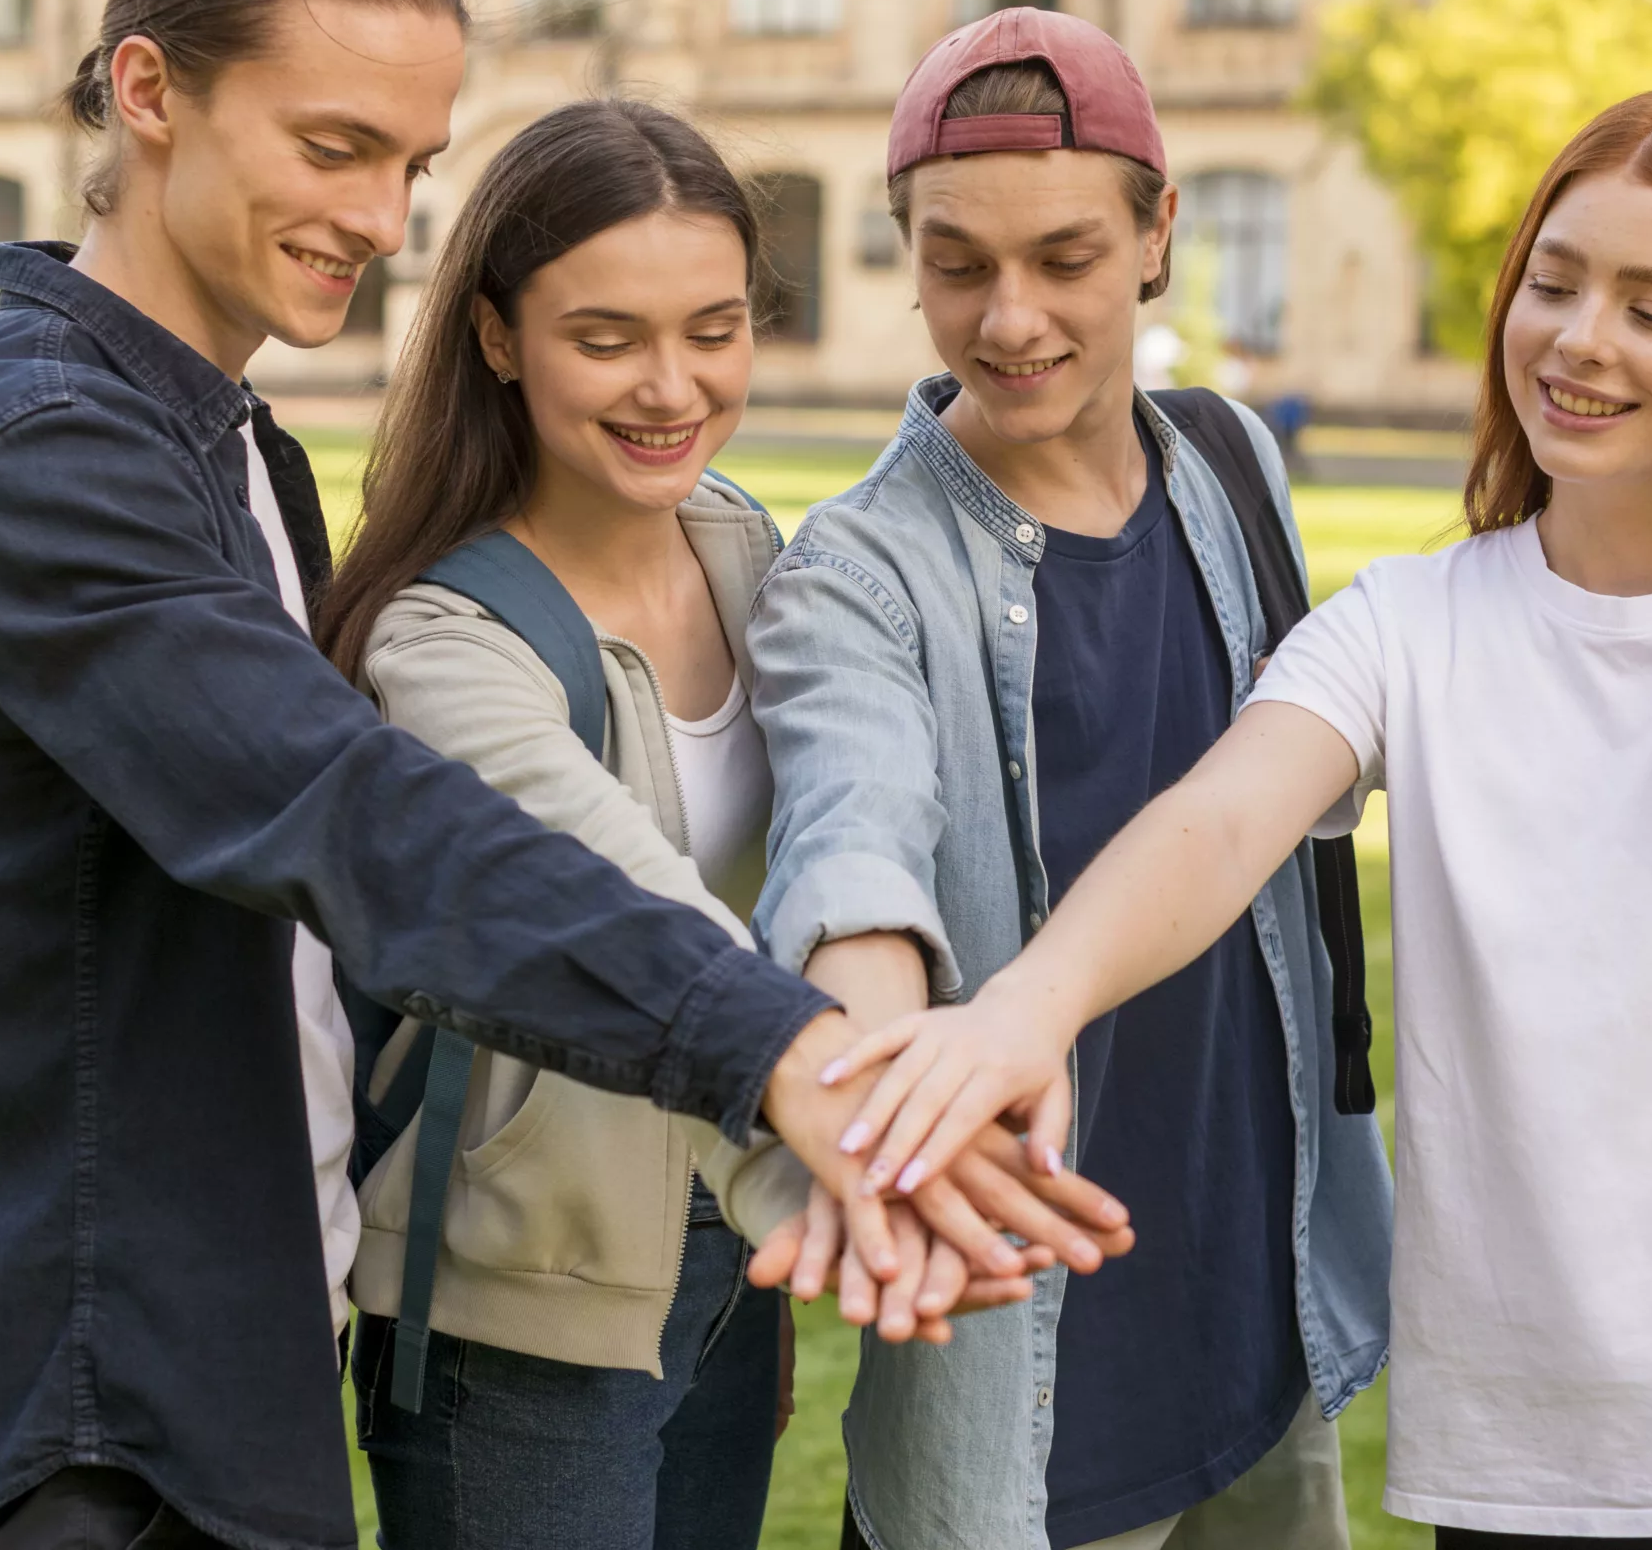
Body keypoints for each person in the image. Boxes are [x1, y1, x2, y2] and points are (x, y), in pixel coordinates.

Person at [0, 0, 1119, 1550]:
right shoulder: (39, 458)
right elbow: (354, 819)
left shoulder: (217, 439)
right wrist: (778, 1055)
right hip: (92, 1413)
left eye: (414, 164)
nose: (382, 217)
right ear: (147, 93)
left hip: (228, 1356)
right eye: (334, 145)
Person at [824, 89, 1652, 1547]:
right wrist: (1028, 1009)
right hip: (1525, 1461)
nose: (1582, 341)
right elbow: (1213, 827)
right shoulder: (1414, 621)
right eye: (1557, 282)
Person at [310, 98, 1087, 1550]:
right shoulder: (443, 643)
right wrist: (857, 1167)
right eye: (606, 340)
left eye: (714, 330)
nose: (672, 386)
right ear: (496, 336)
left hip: (734, 1246)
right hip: (527, 1307)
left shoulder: (742, 544)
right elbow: (644, 910)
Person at [743, 7, 1393, 1550]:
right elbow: (854, 838)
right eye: (956, 262)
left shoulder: (1235, 461)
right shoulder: (856, 573)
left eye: (1065, 259)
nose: (1009, 317)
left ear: (1159, 236)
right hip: (1030, 1354)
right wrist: (890, 1079)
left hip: (1258, 1292)